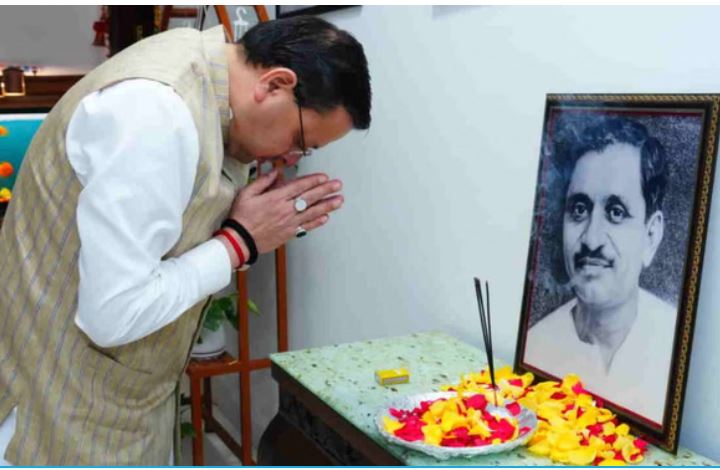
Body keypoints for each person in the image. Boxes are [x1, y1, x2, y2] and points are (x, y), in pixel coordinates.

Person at [0, 16, 371, 465]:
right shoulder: (155, 112)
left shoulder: (201, 71)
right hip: (58, 415)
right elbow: (113, 314)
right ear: (275, 84)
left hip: (118, 402)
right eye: (299, 140)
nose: (289, 158)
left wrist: (242, 226)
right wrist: (239, 242)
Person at [525, 117, 676, 425]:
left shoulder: (672, 345)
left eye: (616, 212)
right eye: (579, 209)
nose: (591, 239)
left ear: (651, 236)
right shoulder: (537, 347)